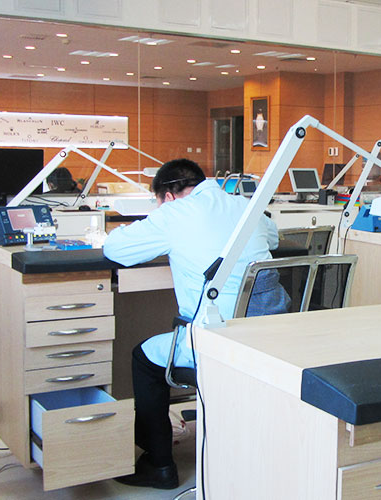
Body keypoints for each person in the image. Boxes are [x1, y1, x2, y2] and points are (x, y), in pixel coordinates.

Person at [103, 158, 289, 489]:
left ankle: (159, 464)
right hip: (268, 339)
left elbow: (115, 249)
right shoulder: (244, 205)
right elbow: (273, 238)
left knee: (143, 357)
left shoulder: (174, 213)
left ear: (168, 196)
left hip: (216, 342)